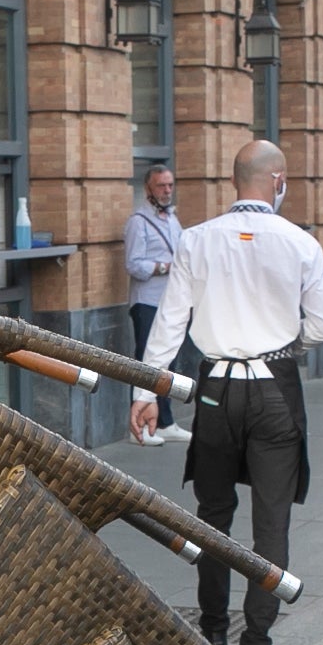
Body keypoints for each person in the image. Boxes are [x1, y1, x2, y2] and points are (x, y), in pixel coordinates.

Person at [134, 138, 323, 645]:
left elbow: (170, 324)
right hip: (275, 388)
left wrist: (145, 394)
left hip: (215, 390)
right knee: (272, 523)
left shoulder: (196, 241)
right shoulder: (300, 243)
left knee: (213, 517)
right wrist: (283, 348)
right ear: (278, 180)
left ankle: (214, 633)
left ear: (234, 182)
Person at [123, 162, 191, 440]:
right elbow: (134, 265)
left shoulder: (172, 219)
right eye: (161, 185)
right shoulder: (138, 223)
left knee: (168, 362)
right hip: (147, 302)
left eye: (170, 185)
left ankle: (164, 421)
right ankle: (138, 427)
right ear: (148, 188)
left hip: (170, 301)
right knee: (146, 364)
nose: (167, 190)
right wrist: (165, 267)